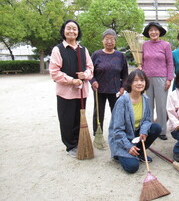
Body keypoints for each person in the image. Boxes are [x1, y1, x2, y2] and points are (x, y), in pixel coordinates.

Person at [49, 20, 94, 158]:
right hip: (65, 93)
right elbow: (54, 72)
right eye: (68, 28)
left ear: (78, 32)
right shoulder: (58, 49)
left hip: (81, 92)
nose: (71, 31)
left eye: (74, 29)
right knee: (67, 120)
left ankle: (79, 142)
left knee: (78, 119)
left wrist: (85, 75)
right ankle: (70, 146)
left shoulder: (83, 49)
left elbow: (90, 68)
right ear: (63, 31)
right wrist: (71, 80)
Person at [108, 69, 162, 173]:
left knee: (156, 128)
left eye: (142, 80)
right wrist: (128, 147)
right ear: (130, 83)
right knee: (132, 167)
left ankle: (139, 152)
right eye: (136, 80)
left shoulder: (145, 99)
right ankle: (120, 154)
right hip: (122, 138)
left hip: (136, 135)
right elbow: (117, 130)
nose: (139, 83)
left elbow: (147, 120)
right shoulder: (122, 101)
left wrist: (143, 131)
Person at [90, 29, 128, 136]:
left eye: (112, 39)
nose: (109, 41)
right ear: (102, 41)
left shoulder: (120, 55)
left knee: (117, 113)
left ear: (115, 41)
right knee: (98, 112)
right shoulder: (96, 55)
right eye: (107, 39)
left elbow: (125, 74)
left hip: (115, 89)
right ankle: (97, 133)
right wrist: (93, 81)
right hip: (99, 89)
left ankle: (117, 133)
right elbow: (89, 71)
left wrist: (123, 87)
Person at [141, 22, 174, 140]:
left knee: (161, 105)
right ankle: (149, 129)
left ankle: (161, 131)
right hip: (147, 78)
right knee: (148, 106)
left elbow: (170, 63)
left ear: (159, 32)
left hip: (162, 78)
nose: (153, 32)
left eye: (155, 30)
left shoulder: (166, 45)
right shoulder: (144, 45)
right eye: (151, 30)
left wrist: (169, 79)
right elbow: (142, 62)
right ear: (148, 32)